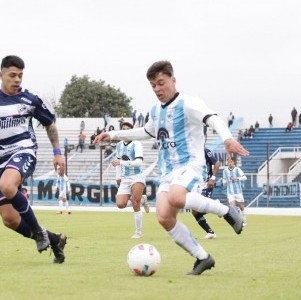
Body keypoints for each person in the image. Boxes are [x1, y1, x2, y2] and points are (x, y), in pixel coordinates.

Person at [93, 60, 247, 275]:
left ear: (173, 80)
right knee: (164, 217)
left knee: (176, 198)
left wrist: (227, 139)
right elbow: (146, 132)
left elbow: (213, 119)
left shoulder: (188, 103)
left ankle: (227, 212)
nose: (157, 89)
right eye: (153, 85)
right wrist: (113, 135)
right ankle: (203, 257)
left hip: (190, 164)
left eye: (161, 83)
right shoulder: (156, 110)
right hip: (168, 171)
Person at [0, 55, 67, 264]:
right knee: (9, 220)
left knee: (8, 186)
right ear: (1, 74)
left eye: (20, 75)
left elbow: (50, 124)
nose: (17, 79)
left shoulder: (30, 100)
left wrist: (57, 153)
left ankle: (38, 232)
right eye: (12, 75)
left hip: (23, 152)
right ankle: (54, 239)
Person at [112, 121, 149, 238]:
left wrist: (121, 162)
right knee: (120, 204)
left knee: (135, 202)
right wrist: (118, 177)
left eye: (128, 129)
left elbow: (139, 162)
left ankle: (138, 232)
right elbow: (117, 163)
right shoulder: (119, 145)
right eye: (123, 129)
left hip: (137, 176)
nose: (125, 131)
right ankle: (143, 200)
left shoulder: (137, 144)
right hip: (125, 177)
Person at [192, 148, 221, 239]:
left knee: (201, 206)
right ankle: (210, 232)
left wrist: (213, 178)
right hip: (196, 184)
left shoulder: (204, 151)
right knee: (195, 212)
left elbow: (216, 163)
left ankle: (217, 206)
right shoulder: (190, 150)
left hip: (206, 183)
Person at [223, 159, 247, 225]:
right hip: (230, 192)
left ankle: (244, 219)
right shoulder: (225, 171)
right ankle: (238, 221)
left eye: (231, 162)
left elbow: (245, 177)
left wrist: (237, 178)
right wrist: (224, 183)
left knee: (241, 207)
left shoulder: (237, 169)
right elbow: (224, 179)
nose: (230, 163)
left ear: (234, 163)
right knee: (232, 207)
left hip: (238, 192)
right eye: (228, 162)